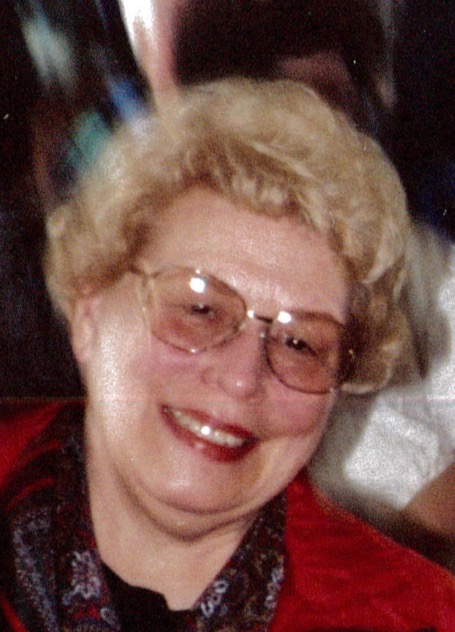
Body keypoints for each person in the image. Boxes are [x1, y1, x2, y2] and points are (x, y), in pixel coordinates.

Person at [1, 78, 454, 631]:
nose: (243, 377)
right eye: (200, 310)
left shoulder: (422, 616)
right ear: (89, 310)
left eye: (300, 343)